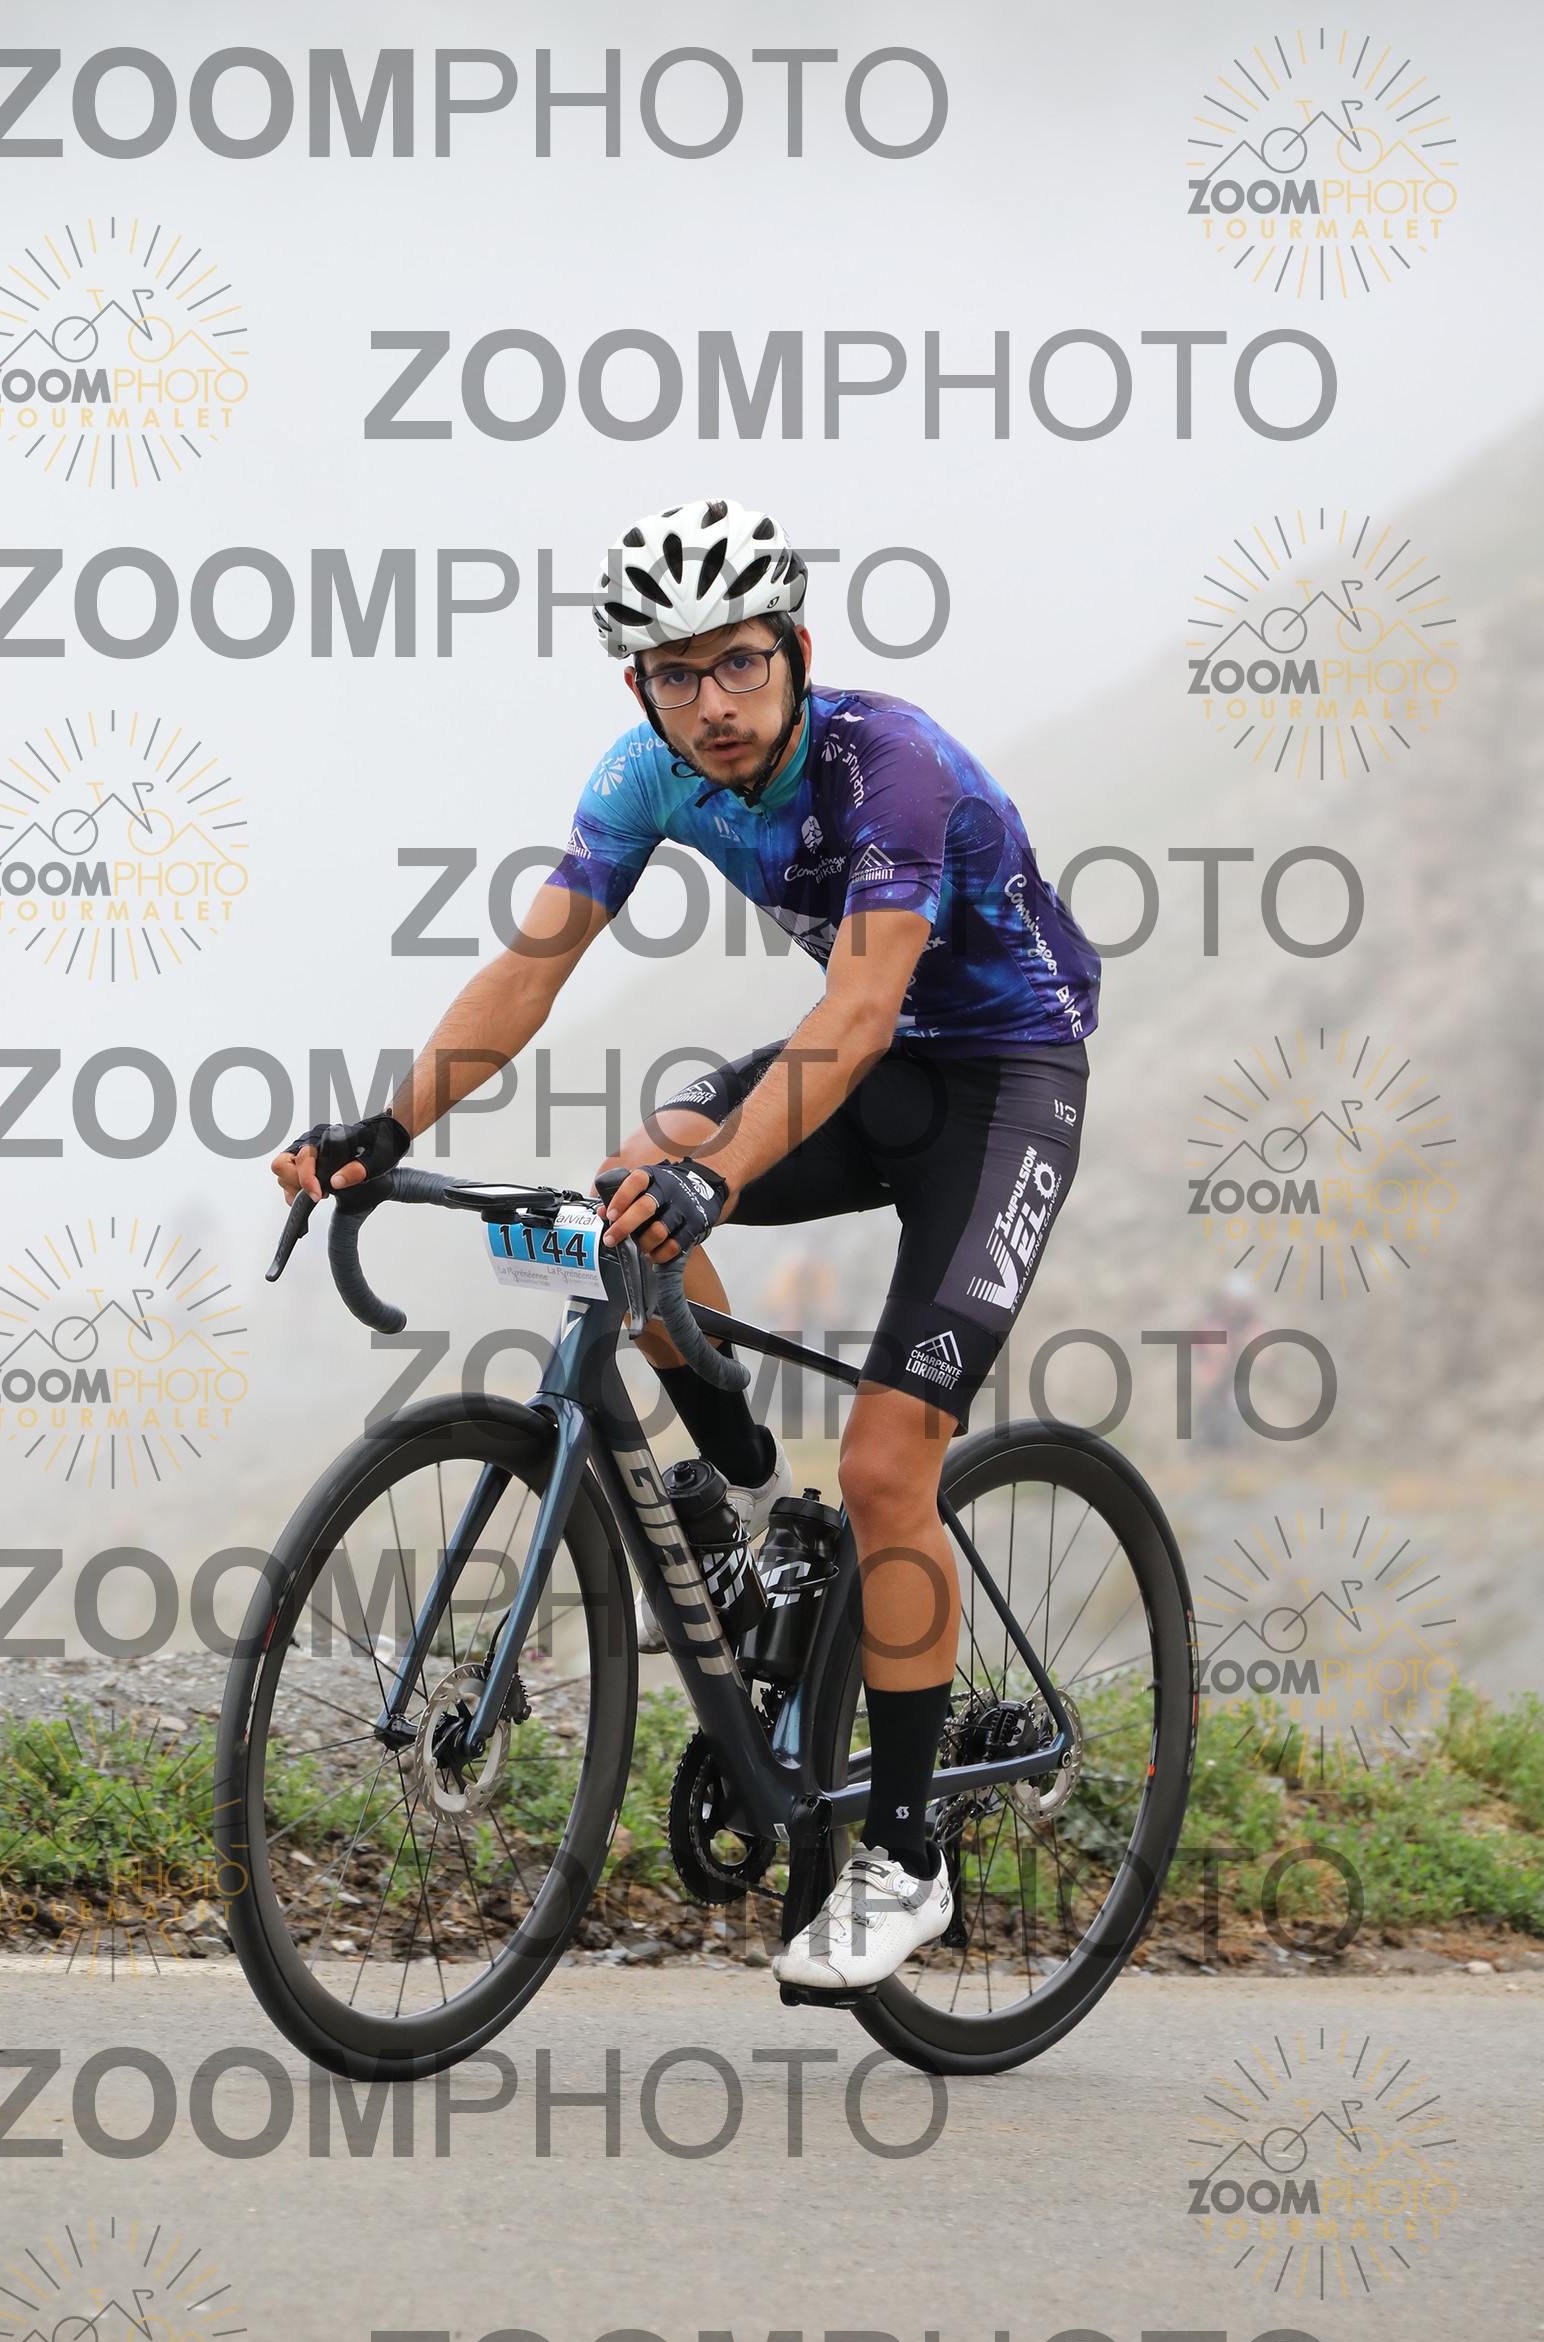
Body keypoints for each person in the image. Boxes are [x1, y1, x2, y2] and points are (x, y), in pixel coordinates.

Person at [272, 498, 1099, 1993]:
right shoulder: (645, 772)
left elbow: (860, 1010)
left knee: (889, 1468)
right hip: (868, 1068)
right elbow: (532, 971)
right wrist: (385, 1129)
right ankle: (742, 1510)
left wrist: (721, 1177)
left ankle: (907, 1857)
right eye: (675, 672)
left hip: (1001, 1085)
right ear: (638, 686)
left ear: (796, 652)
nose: (712, 701)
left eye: (738, 662)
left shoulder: (889, 765)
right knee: (628, 1186)